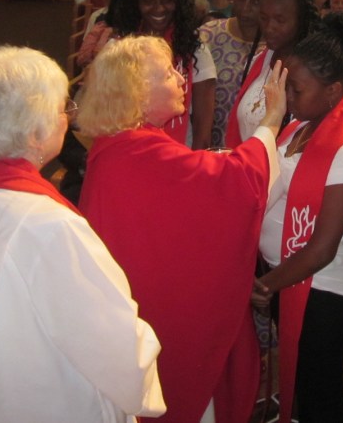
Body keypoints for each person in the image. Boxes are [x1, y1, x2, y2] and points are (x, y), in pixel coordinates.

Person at [0, 46, 165, 423]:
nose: (67, 118)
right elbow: (116, 347)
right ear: (34, 133)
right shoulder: (46, 227)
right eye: (63, 108)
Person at [78, 35, 288, 423]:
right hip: (162, 317)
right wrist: (271, 121)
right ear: (138, 93)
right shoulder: (140, 150)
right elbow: (235, 183)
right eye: (168, 74)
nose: (181, 79)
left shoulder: (117, 144)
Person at [251, 12, 343, 423]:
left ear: (333, 90)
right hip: (287, 276)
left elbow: (322, 249)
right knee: (303, 380)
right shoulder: (298, 128)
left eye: (296, 90)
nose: (287, 99)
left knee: (319, 387)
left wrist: (266, 285)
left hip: (321, 285)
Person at [111, 0, 216, 149]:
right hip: (129, 152)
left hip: (179, 155)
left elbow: (203, 133)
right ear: (135, 1)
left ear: (178, 0)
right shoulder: (119, 50)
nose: (159, 8)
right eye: (148, 0)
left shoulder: (195, 50)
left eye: (167, 0)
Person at [226, 0, 318, 147]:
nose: (269, 27)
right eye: (264, 18)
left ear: (302, 20)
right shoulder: (259, 60)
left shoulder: (317, 73)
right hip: (250, 162)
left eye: (280, 20)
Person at [199, 0, 274, 147]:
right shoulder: (207, 36)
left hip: (257, 156)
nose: (245, 9)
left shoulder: (277, 48)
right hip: (210, 154)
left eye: (256, 1)